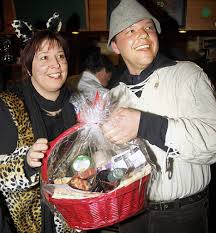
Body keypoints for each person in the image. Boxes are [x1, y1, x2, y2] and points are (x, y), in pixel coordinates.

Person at [101, 0, 216, 233]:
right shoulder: (112, 96)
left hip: (182, 215)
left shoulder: (188, 75)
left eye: (149, 28)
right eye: (131, 30)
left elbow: (213, 141)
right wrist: (101, 166)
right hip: (130, 214)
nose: (143, 35)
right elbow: (117, 164)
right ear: (115, 45)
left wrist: (144, 124)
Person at [0, 13, 77, 233]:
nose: (56, 64)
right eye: (44, 57)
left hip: (76, 220)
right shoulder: (9, 106)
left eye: (61, 56)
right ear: (27, 66)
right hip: (29, 225)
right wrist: (26, 163)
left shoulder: (79, 104)